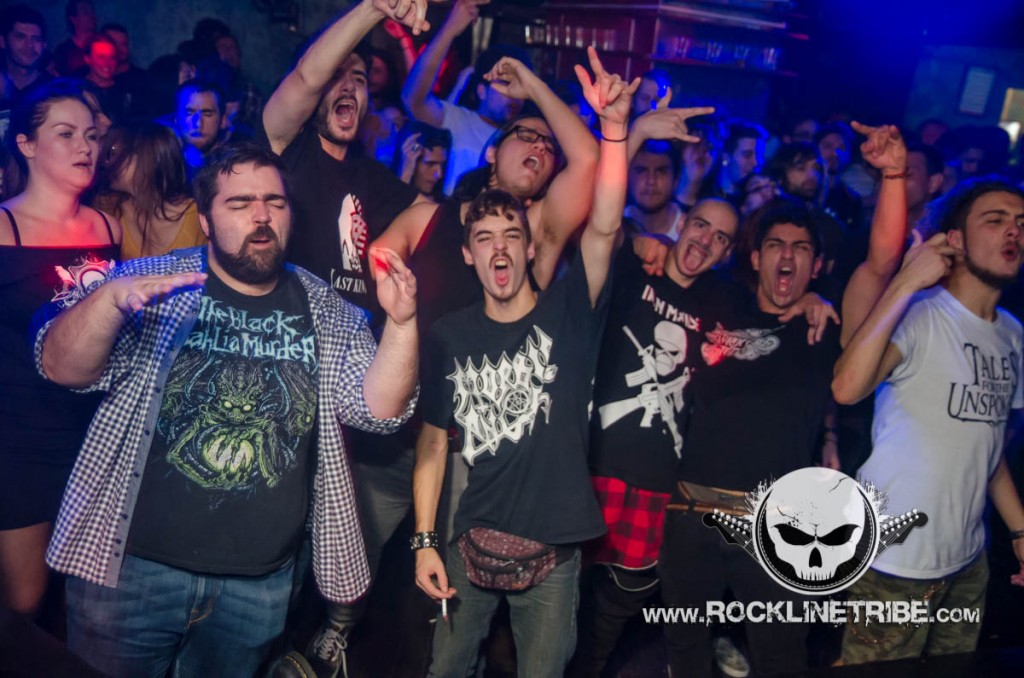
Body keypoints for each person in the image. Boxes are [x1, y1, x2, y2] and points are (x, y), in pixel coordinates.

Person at [34, 143, 418, 676]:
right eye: (240, 203)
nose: (261, 216)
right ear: (206, 221)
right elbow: (60, 367)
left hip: (258, 586)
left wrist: (401, 323)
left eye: (274, 202)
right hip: (130, 573)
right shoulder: (151, 282)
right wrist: (107, 302)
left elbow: (380, 411)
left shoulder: (326, 307)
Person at [412, 51, 635, 677]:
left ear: (531, 245)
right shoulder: (450, 335)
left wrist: (616, 130)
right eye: (484, 238)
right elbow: (432, 444)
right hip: (469, 547)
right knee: (446, 671)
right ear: (468, 255)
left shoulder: (571, 313)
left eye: (511, 234)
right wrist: (425, 541)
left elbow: (604, 224)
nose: (499, 248)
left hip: (553, 559)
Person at [261, 3, 432, 675]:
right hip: (282, 378)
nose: (349, 88)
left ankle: (314, 639)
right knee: (277, 533)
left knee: (335, 533)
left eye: (361, 80)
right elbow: (308, 78)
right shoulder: (287, 151)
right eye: (341, 75)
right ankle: (267, 646)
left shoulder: (376, 181)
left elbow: (439, 218)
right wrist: (373, 9)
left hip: (349, 390)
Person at [833, 177, 1024, 663]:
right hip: (893, 563)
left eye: (1022, 223)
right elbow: (847, 388)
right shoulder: (919, 313)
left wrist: (1021, 531)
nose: (1014, 232)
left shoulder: (1013, 335)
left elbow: (987, 447)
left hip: (968, 562)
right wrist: (905, 282)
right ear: (955, 239)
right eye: (996, 220)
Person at [659, 202, 841, 678]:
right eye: (776, 245)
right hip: (692, 513)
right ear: (757, 258)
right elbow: (667, 258)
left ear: (817, 265)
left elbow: (881, 265)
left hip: (775, 527)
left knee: (781, 657)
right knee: (685, 651)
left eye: (801, 248)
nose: (788, 255)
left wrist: (829, 433)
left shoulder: (822, 327)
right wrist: (646, 243)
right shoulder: (719, 300)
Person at [0, 80, 120, 619]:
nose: (85, 147)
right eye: (66, 134)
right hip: (18, 436)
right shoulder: (4, 226)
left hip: (92, 432)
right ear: (26, 144)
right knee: (23, 599)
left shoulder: (107, 227)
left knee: (83, 598)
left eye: (91, 136)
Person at [402, 0, 526, 194]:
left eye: (521, 88)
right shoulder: (458, 121)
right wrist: (450, 29)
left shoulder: (524, 140)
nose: (514, 95)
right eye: (505, 84)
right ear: (481, 90)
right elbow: (413, 99)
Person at [93, 122, 207, 259]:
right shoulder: (109, 209)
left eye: (113, 152)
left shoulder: (197, 215)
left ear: (145, 157)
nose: (106, 162)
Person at [0, 5, 50, 140]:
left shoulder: (55, 91)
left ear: (44, 45)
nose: (29, 45)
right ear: (3, 42)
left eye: (36, 39)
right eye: (20, 37)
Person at [624, 139, 686, 238]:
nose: (651, 181)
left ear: (676, 180)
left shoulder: (688, 232)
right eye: (642, 171)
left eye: (661, 171)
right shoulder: (613, 225)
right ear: (627, 177)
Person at [175, 79, 228, 179]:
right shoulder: (164, 167)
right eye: (190, 113)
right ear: (177, 119)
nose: (198, 123)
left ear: (223, 120)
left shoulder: (234, 168)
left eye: (208, 114)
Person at [394, 121, 452, 199]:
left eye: (442, 165)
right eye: (430, 164)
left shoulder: (445, 203)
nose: (439, 174)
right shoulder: (384, 193)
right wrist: (406, 175)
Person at [52, 0, 97, 77]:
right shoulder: (63, 51)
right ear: (73, 19)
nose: (91, 15)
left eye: (92, 11)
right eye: (85, 12)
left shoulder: (103, 44)